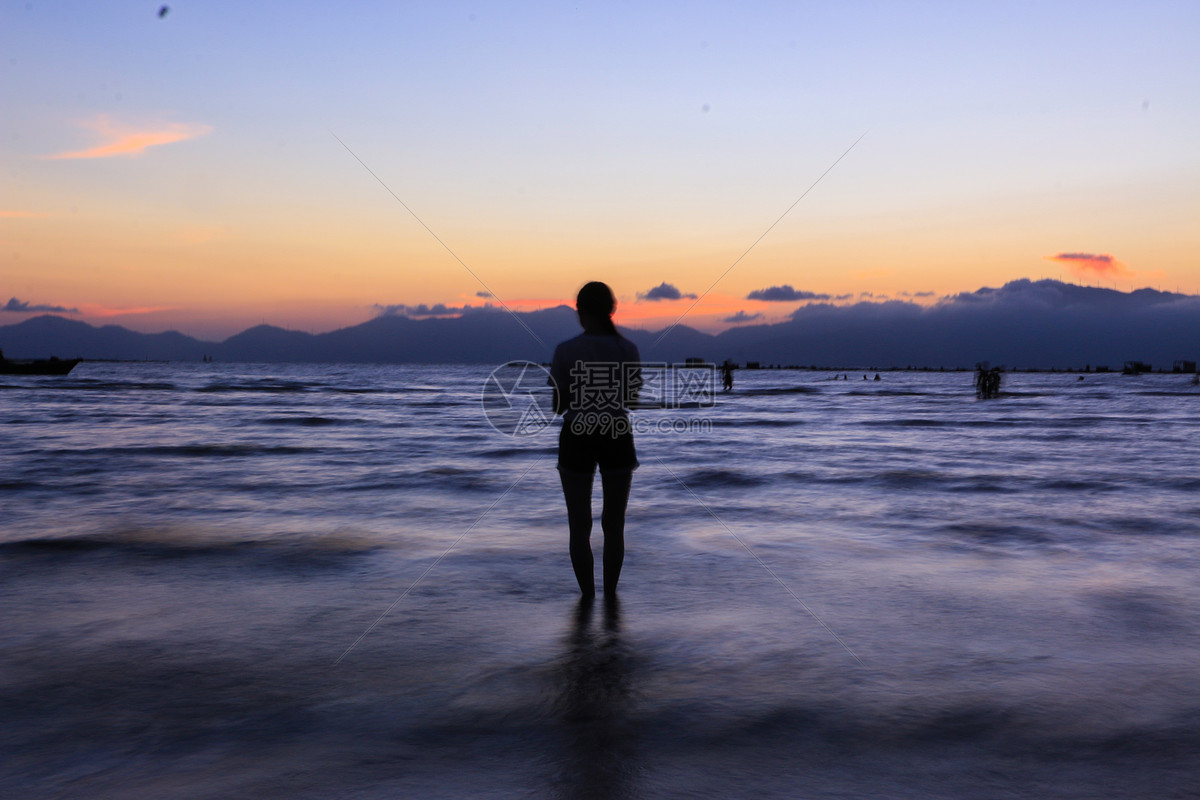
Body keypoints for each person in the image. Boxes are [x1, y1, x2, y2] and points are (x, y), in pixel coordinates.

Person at [549, 282, 641, 599]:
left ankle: (588, 597)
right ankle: (611, 598)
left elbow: (558, 406)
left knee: (579, 525)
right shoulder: (627, 349)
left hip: (576, 434)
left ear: (580, 311)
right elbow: (631, 399)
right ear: (611, 310)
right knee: (614, 526)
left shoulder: (566, 351)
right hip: (616, 432)